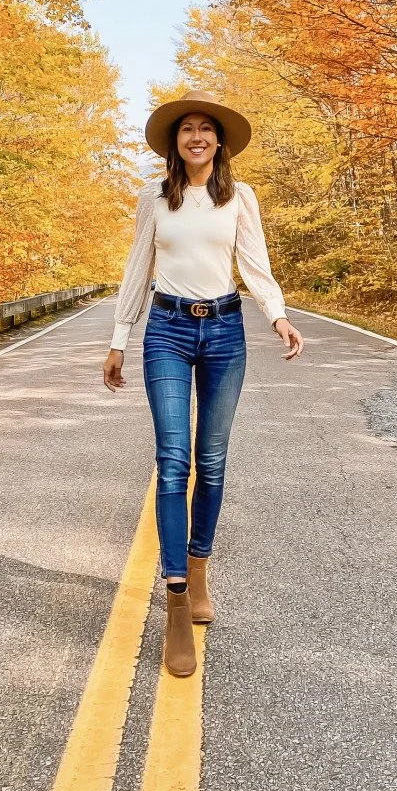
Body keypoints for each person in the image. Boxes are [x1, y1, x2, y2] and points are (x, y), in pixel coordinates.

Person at [102, 89, 304, 677]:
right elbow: (138, 268)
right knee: (173, 460)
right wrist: (119, 337)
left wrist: (278, 313)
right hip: (165, 330)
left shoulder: (239, 197)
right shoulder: (154, 197)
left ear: (219, 142)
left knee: (211, 461)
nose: (195, 136)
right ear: (175, 142)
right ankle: (174, 595)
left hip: (224, 332)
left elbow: (256, 264)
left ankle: (199, 570)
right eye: (185, 129)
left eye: (205, 129)